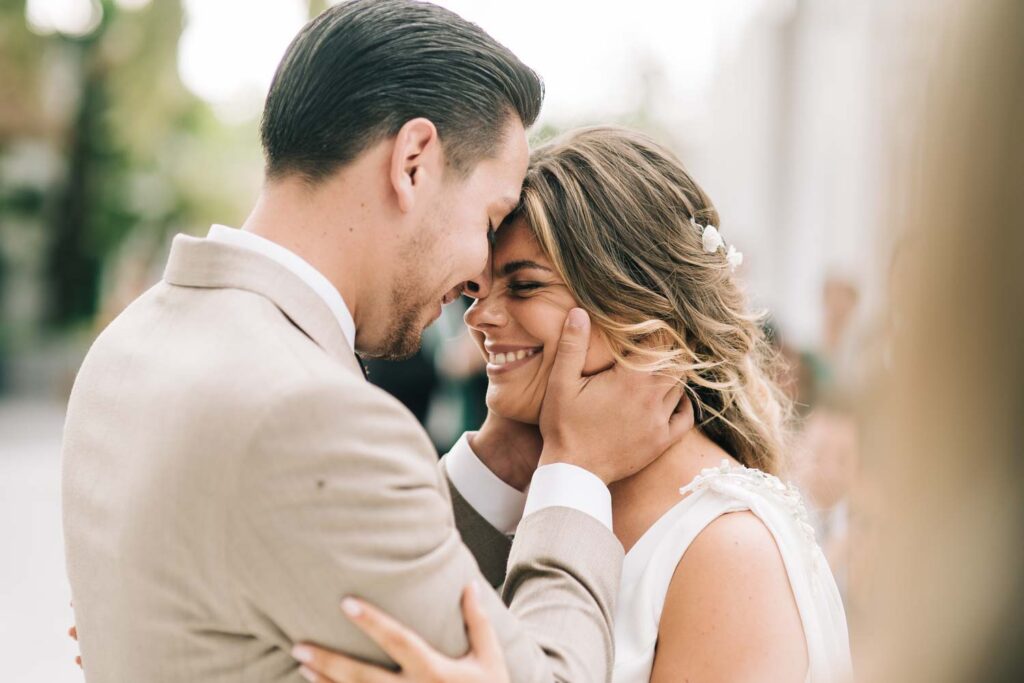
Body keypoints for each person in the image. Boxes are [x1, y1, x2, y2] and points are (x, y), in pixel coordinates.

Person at [60, 2, 692, 682]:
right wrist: (577, 470)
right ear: (413, 162)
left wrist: (504, 453)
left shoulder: (131, 345)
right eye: (489, 218)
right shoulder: (311, 414)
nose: (482, 274)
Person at [295, 127, 853, 682]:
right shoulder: (547, 494)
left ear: (640, 307)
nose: (477, 317)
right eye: (478, 289)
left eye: (524, 286)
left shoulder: (729, 550)